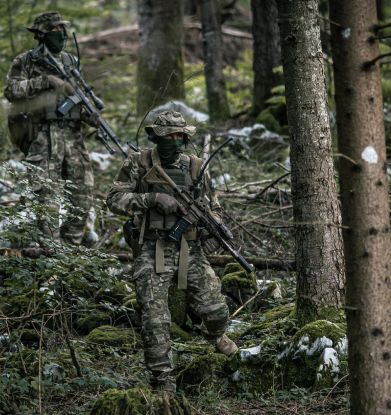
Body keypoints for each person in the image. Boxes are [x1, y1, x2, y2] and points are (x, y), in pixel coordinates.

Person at [106, 110, 238, 394]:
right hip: (152, 249)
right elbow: (114, 198)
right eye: (169, 136)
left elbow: (212, 205)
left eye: (181, 136)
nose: (175, 141)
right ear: (156, 136)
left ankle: (215, 335)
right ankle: (163, 380)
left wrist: (211, 226)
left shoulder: (195, 166)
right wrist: (152, 198)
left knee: (216, 309)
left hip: (190, 249)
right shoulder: (139, 163)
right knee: (155, 319)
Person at [4, 11, 96, 245]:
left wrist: (91, 114)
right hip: (43, 137)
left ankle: (71, 249)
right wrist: (45, 81)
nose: (61, 34)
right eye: (55, 30)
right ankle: (49, 251)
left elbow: (79, 94)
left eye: (62, 30)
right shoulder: (26, 61)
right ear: (43, 34)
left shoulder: (70, 62)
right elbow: (11, 91)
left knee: (83, 194)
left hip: (73, 138)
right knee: (45, 197)